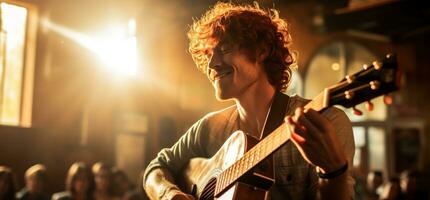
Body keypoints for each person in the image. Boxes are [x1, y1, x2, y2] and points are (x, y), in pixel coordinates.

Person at [143, 2, 355, 200]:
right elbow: (156, 169)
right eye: (209, 55)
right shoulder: (209, 128)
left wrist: (334, 173)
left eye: (224, 49)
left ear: (261, 51)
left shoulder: (323, 122)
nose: (212, 64)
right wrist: (170, 195)